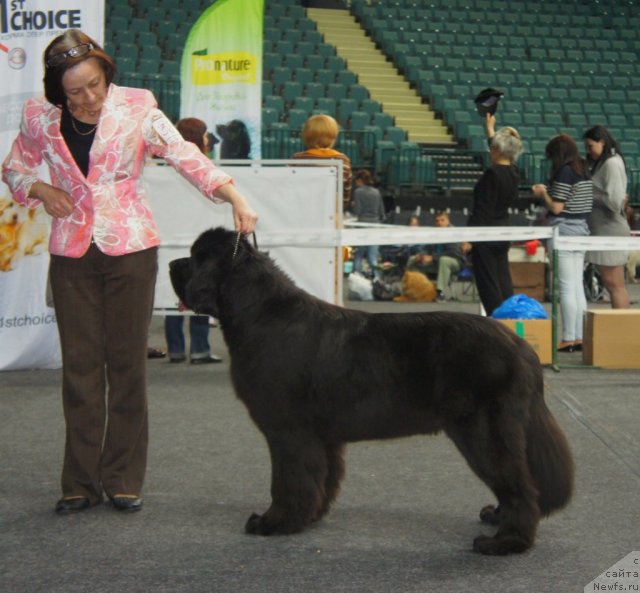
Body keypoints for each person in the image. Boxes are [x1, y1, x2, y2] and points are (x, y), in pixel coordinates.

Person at [1, 30, 257, 515]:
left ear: (106, 73)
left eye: (95, 84)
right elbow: (14, 168)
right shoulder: (38, 116)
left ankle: (121, 477)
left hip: (132, 249)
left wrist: (234, 195)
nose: (89, 98)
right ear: (58, 92)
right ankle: (78, 482)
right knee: (78, 370)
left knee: (126, 367)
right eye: (75, 91)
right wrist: (40, 190)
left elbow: (185, 156)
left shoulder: (138, 106)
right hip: (72, 254)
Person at [164, 118, 224, 364]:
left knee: (171, 296)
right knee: (202, 292)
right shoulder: (206, 168)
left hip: (171, 234)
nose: (209, 139)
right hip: (199, 239)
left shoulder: (165, 167)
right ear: (199, 137)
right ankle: (200, 349)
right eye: (206, 134)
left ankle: (176, 350)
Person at [532, 135, 593, 352]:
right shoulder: (583, 169)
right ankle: (580, 336)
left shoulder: (565, 171)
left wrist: (543, 193)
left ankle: (568, 337)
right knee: (577, 286)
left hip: (564, 230)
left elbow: (557, 207)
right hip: (582, 230)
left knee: (566, 287)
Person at [467, 114, 522, 315]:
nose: (490, 150)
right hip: (502, 233)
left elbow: (483, 209)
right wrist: (490, 129)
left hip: (485, 236)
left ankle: (497, 325)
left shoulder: (492, 174)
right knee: (503, 283)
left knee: (489, 287)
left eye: (492, 147)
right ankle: (509, 322)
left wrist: (469, 239)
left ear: (497, 150)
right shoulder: (515, 173)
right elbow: (505, 149)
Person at [582, 125, 630, 309]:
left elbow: (615, 202)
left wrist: (591, 193)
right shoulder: (605, 163)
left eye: (590, 146)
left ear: (602, 142)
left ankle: (623, 326)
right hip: (602, 229)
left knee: (614, 284)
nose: (589, 151)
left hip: (611, 229)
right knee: (612, 283)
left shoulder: (612, 164)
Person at [291, 114, 352, 212]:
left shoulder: (297, 159)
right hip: (331, 214)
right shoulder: (343, 160)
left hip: (302, 212)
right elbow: (345, 194)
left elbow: (290, 189)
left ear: (306, 135)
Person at [406, 210, 471, 302]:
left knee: (444, 260)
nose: (439, 223)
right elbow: (426, 247)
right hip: (436, 262)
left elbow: (452, 252)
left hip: (455, 262)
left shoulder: (454, 232)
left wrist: (432, 257)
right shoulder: (433, 233)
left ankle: (440, 293)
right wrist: (422, 255)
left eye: (442, 220)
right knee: (413, 259)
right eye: (437, 221)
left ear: (448, 221)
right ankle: (411, 290)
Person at [352, 169, 384, 278]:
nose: (355, 184)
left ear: (360, 180)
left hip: (362, 226)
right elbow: (381, 212)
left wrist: (353, 205)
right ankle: (377, 279)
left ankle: (356, 277)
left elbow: (357, 211)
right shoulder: (377, 192)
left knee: (359, 254)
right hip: (375, 225)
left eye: (356, 181)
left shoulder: (358, 192)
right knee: (372, 256)